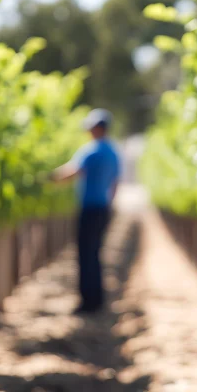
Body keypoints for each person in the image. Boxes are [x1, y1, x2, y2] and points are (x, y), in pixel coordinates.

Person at [49, 108, 121, 313]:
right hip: (103, 208)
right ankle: (97, 300)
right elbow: (115, 183)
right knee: (96, 253)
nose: (89, 131)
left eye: (91, 128)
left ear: (99, 128)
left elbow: (73, 171)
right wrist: (109, 204)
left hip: (89, 209)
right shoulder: (113, 152)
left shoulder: (92, 150)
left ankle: (87, 302)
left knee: (85, 254)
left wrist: (50, 178)